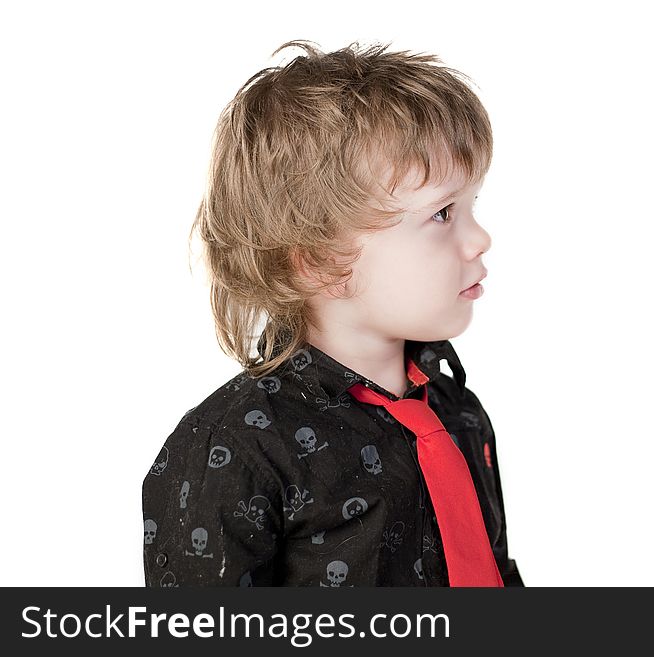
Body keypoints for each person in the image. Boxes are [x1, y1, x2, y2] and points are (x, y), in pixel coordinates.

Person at [142, 39, 522, 587]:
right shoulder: (236, 447)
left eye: (472, 207)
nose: (480, 239)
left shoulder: (458, 413)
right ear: (319, 261)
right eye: (442, 213)